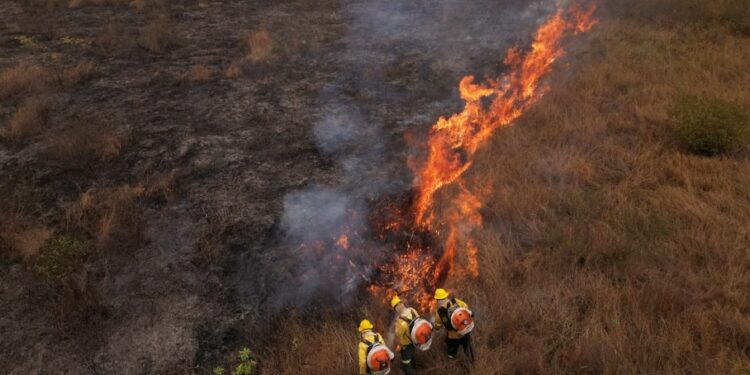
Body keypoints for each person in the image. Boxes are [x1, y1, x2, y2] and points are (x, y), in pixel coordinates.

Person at [433, 288, 475, 362]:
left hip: (453, 337)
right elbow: (466, 307)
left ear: (437, 300)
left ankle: (452, 361)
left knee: (451, 352)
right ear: (445, 296)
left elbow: (437, 326)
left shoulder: (439, 312)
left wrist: (434, 325)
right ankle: (472, 363)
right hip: (464, 330)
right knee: (467, 347)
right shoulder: (455, 301)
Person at [391, 296, 419, 375]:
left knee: (406, 363)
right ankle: (415, 368)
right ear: (402, 304)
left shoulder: (400, 321)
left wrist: (397, 345)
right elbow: (418, 318)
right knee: (412, 354)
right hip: (415, 338)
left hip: (406, 344)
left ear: (396, 309)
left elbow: (398, 335)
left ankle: (410, 372)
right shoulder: (412, 310)